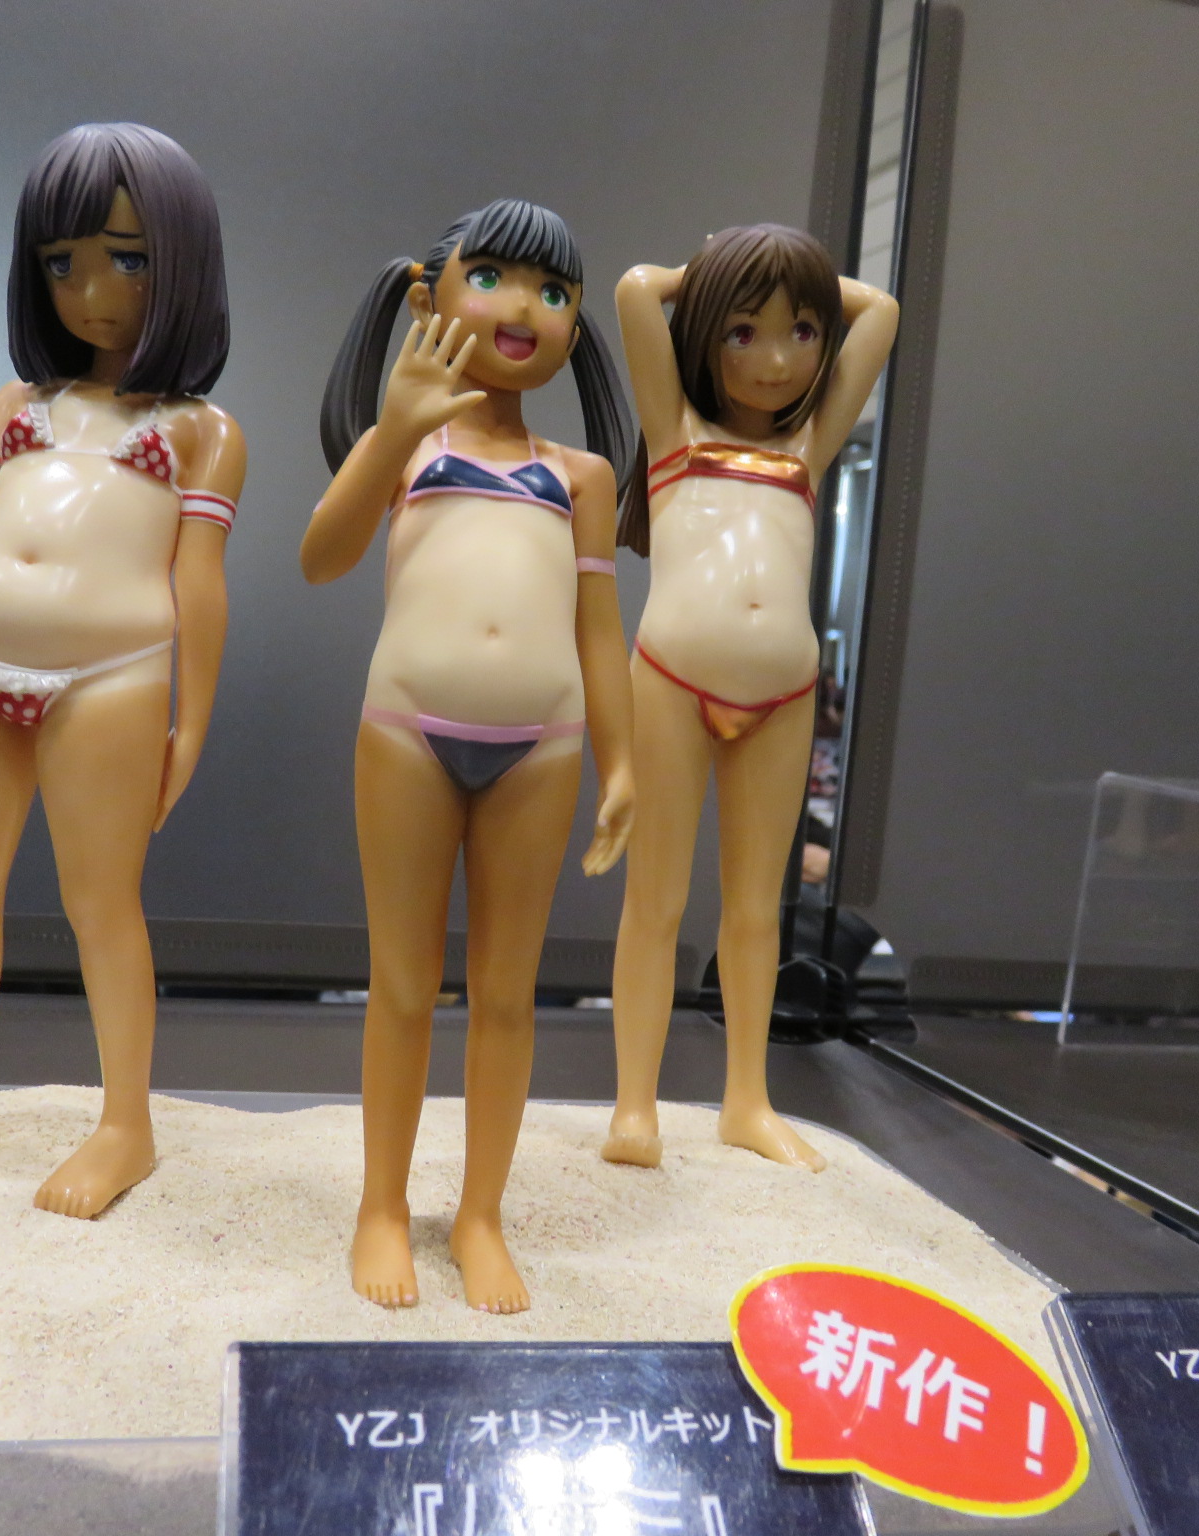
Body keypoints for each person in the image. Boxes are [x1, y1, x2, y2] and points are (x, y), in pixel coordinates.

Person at [0, 123, 243, 1218]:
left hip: (114, 677)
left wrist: (193, 720)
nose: (93, 292)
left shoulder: (202, 433)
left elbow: (200, 583)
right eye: (63, 262)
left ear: (181, 262)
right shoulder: (15, 406)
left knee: (102, 907)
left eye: (128, 259)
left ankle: (126, 1123)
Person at [304, 199, 635, 1312]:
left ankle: (480, 1214)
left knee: (506, 997)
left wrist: (624, 764)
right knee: (401, 988)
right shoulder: (409, 447)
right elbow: (320, 557)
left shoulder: (580, 475)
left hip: (544, 748)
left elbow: (599, 632)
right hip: (406, 733)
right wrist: (392, 431)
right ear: (426, 297)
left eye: (554, 291)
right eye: (491, 277)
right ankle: (382, 1206)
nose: (523, 308)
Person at [603, 226, 896, 1171]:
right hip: (671, 681)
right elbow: (636, 291)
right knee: (655, 901)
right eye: (743, 332)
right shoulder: (673, 436)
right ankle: (635, 1105)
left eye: (801, 332)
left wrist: (779, 271)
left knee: (756, 910)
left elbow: (882, 311)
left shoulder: (809, 446)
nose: (776, 360)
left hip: (786, 692)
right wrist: (715, 272)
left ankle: (746, 1100)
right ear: (705, 335)